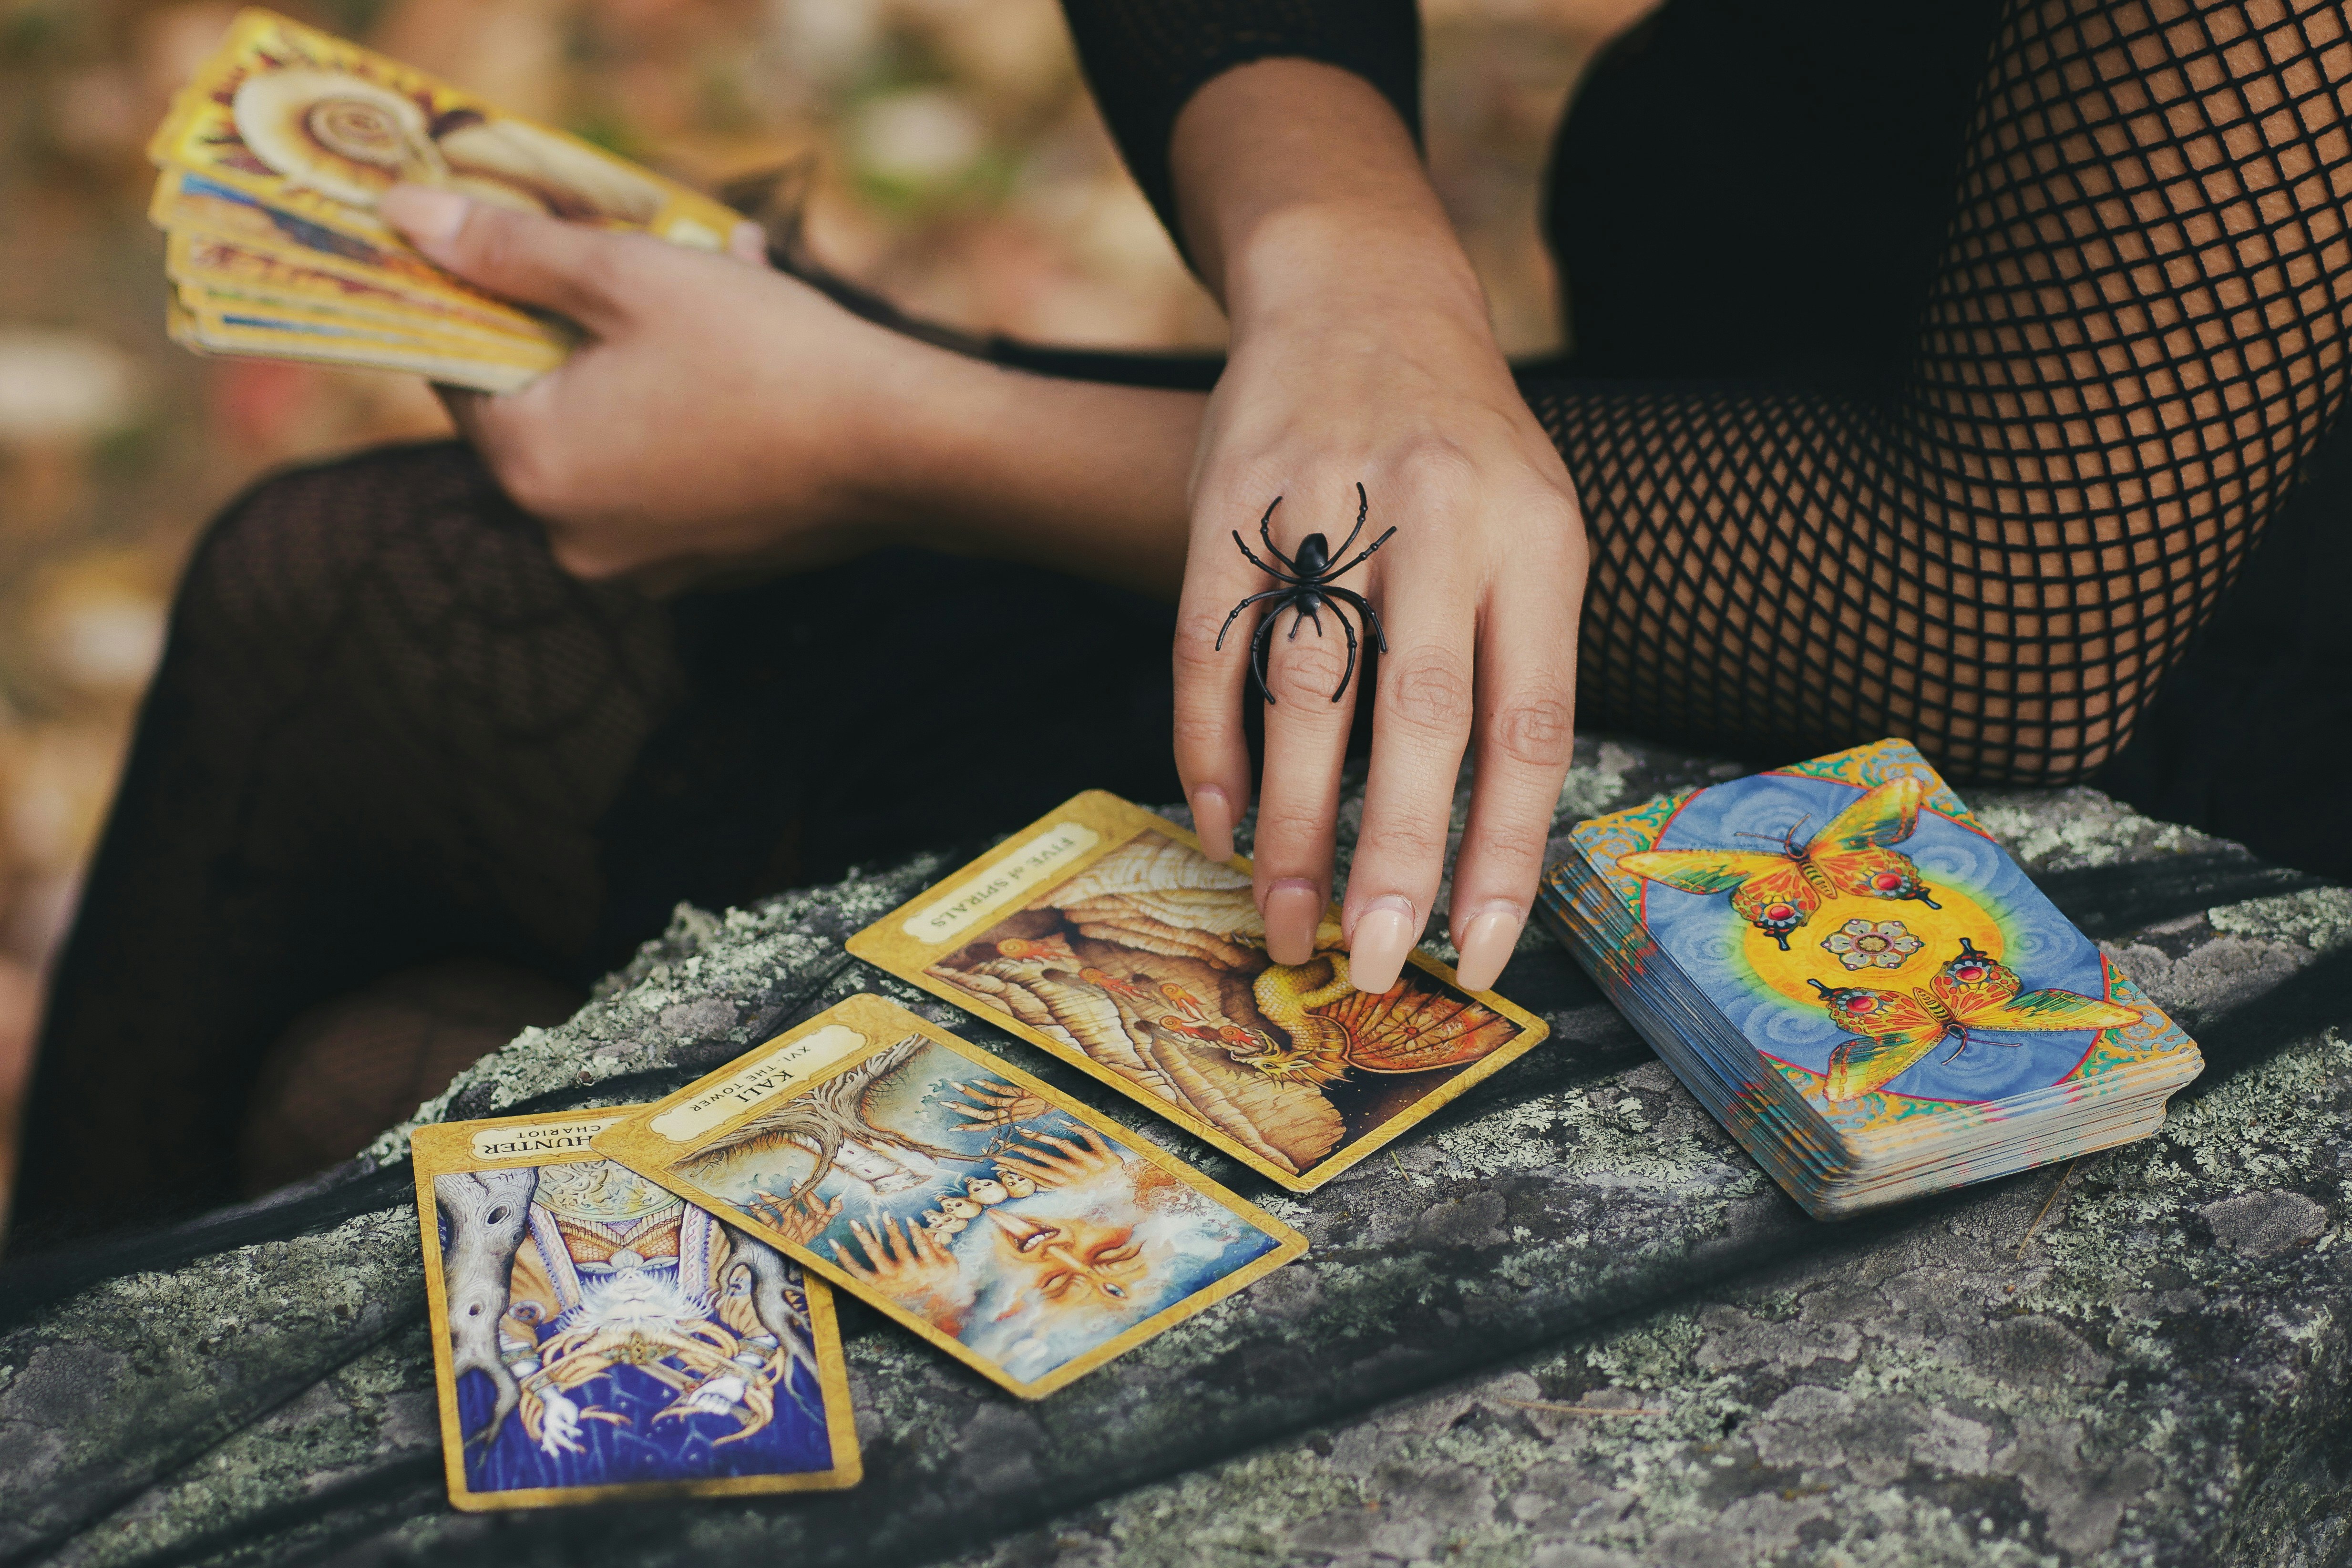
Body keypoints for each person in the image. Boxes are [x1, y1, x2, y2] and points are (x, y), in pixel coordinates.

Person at [13, 0, 2352, 1245]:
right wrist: (1345, 266)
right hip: (1649, 472)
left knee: (366, 894)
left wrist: (891, 433)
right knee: (359, 758)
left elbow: (2022, 592)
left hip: (2067, 826)